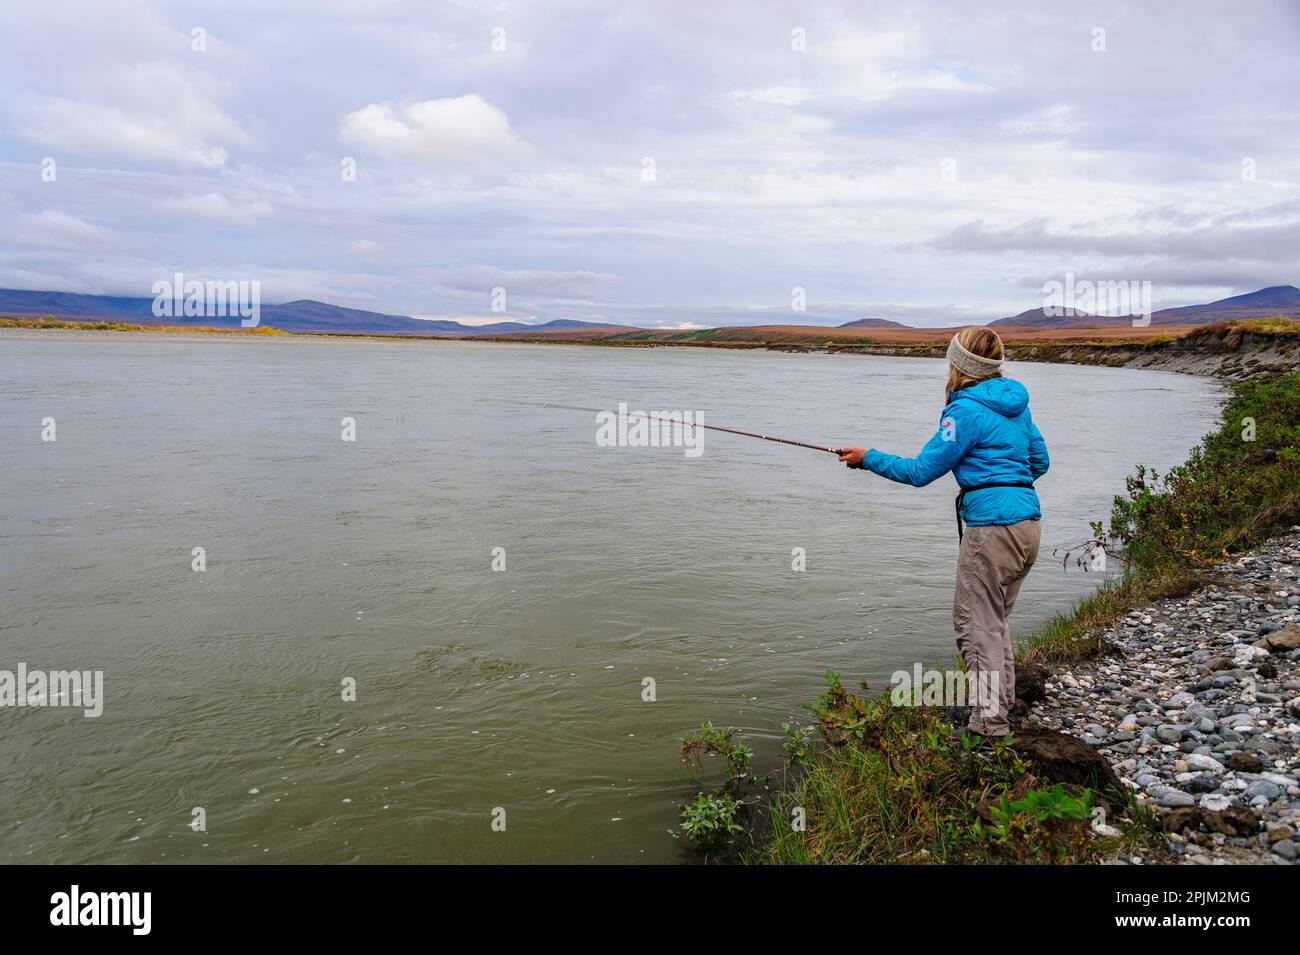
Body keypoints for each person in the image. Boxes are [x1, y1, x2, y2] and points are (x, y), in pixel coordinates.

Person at [837, 326, 1049, 740]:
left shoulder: (964, 411)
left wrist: (867, 458)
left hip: (992, 531)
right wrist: (1002, 481)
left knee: (973, 625)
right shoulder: (1017, 405)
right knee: (994, 623)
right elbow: (1038, 462)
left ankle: (989, 726)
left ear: (960, 363)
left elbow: (920, 472)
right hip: (1028, 526)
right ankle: (998, 708)